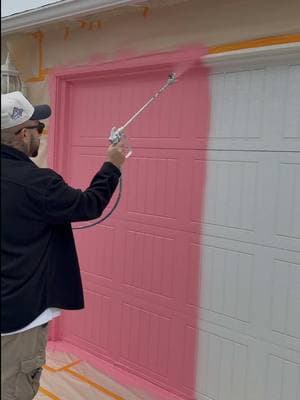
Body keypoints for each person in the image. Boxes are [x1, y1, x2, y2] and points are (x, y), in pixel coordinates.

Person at [1, 91, 126, 399]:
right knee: (12, 389)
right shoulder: (38, 184)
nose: (41, 136)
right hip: (18, 318)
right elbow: (90, 204)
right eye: (39, 128)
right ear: (23, 132)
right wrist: (113, 165)